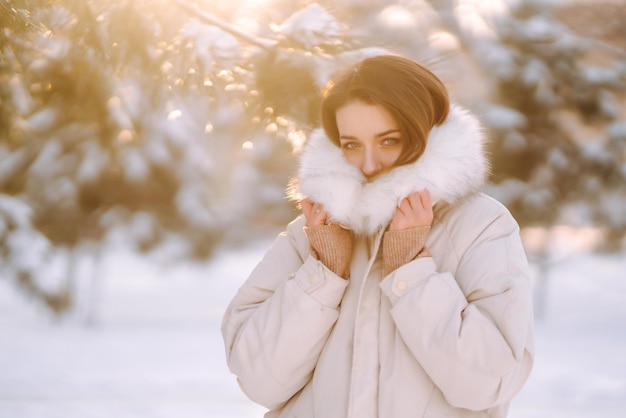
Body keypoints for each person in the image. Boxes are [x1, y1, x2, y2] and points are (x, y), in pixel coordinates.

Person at [221, 54, 534, 418]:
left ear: (426, 134)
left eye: (388, 141)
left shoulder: (481, 225)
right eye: (352, 144)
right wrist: (324, 273)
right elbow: (259, 379)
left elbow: (487, 383)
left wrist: (410, 271)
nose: (368, 165)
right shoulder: (313, 231)